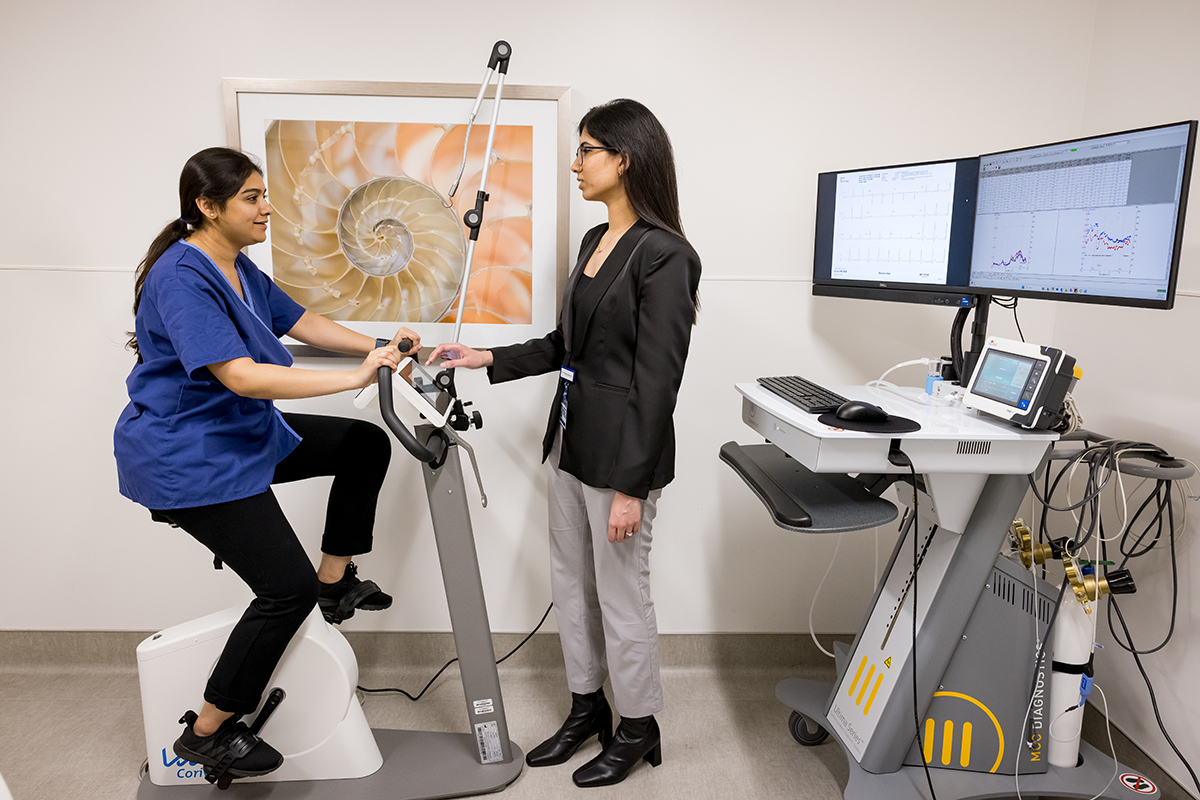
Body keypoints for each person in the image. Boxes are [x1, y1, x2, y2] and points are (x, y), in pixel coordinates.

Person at [114, 147, 420, 784]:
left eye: (263, 194)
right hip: (188, 458)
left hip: (235, 436)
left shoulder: (239, 268)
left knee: (364, 445)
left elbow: (301, 321)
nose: (266, 207)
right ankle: (209, 729)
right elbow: (244, 376)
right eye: (252, 197)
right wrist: (357, 377)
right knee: (285, 591)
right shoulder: (182, 275)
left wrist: (381, 346)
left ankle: (335, 581)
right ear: (207, 206)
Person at [427, 99, 701, 788]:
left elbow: (658, 381)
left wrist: (633, 487)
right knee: (570, 586)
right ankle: (587, 708)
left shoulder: (666, 255)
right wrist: (485, 358)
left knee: (622, 596)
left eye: (586, 150)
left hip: (620, 462)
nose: (574, 163)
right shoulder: (592, 241)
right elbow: (564, 346)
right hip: (569, 443)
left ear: (625, 158)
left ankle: (638, 726)